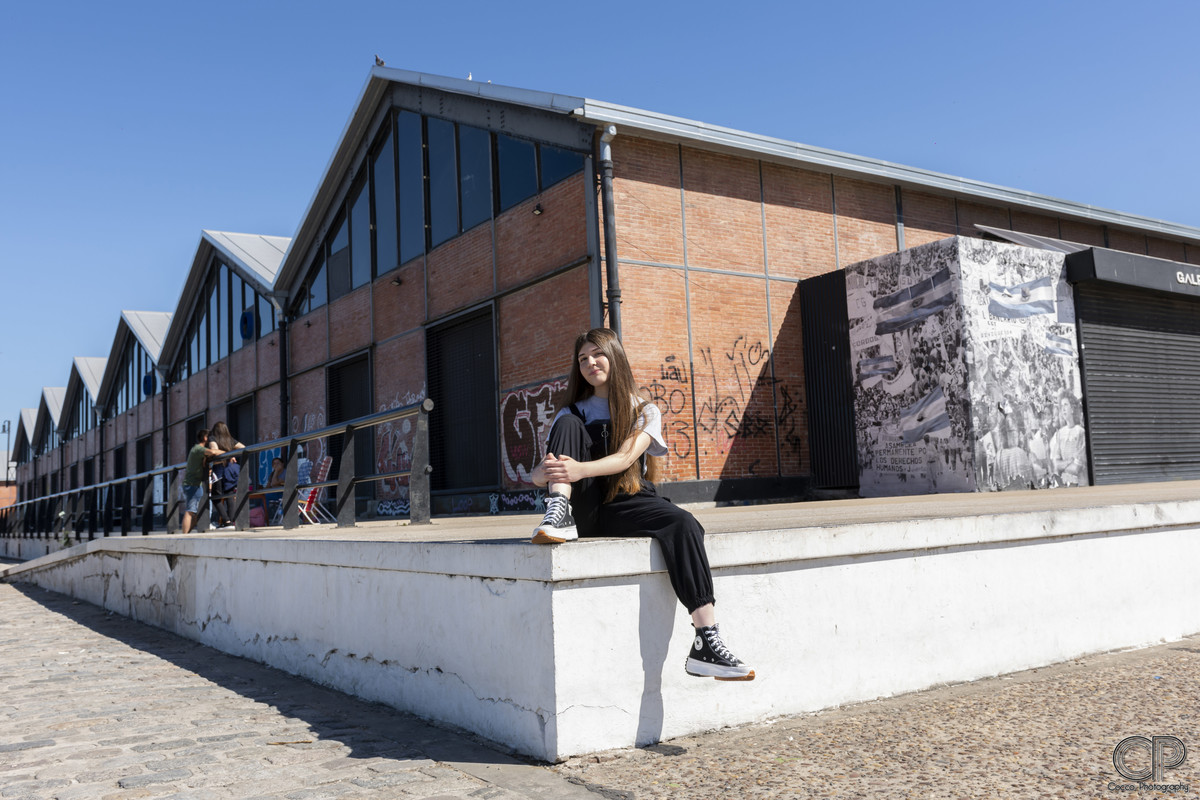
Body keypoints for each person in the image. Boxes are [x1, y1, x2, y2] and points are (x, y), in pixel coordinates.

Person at [531, 328, 754, 681]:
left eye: (597, 354)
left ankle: (706, 640)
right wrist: (542, 475)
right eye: (582, 359)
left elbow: (624, 457)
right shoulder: (569, 413)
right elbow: (538, 473)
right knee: (570, 423)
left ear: (615, 356)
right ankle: (557, 511)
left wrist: (576, 468)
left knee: (684, 524)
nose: (590, 363)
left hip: (627, 500)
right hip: (583, 508)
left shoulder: (643, 409)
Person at [208, 422, 245, 530]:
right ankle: (231, 522)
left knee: (215, 497)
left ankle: (227, 521)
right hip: (229, 470)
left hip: (218, 470)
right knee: (229, 494)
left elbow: (214, 451)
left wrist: (224, 454)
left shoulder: (212, 438)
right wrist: (231, 454)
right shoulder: (230, 439)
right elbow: (243, 447)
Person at [182, 428, 220, 534]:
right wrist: (225, 452)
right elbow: (212, 451)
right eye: (210, 438)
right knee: (190, 511)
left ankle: (187, 533)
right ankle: (184, 536)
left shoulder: (198, 451)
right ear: (205, 438)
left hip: (195, 484)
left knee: (195, 513)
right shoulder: (198, 448)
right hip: (192, 484)